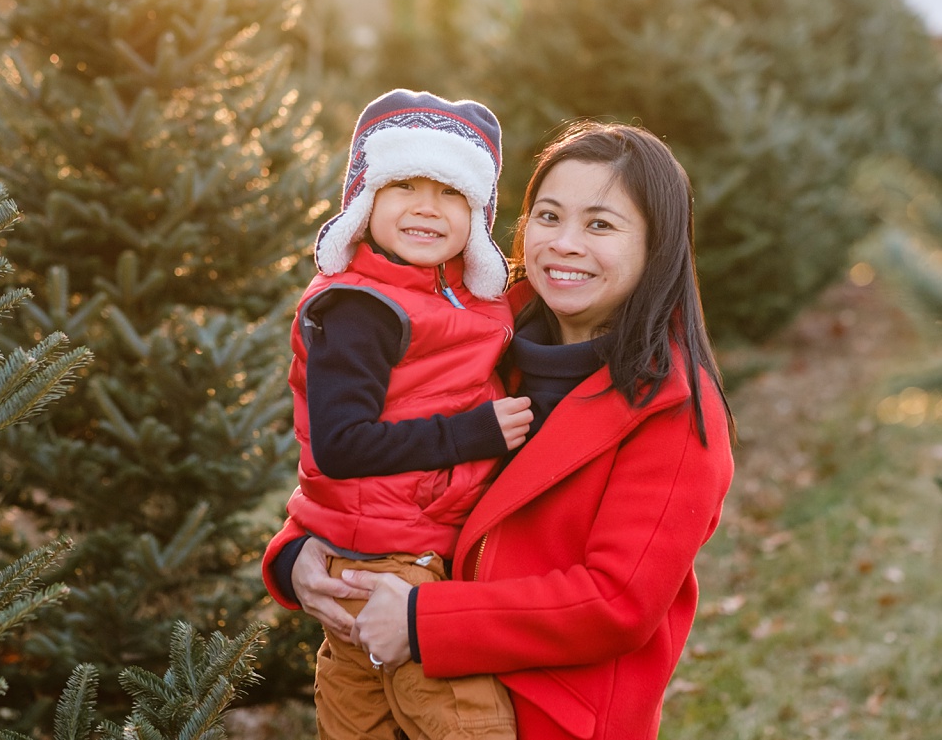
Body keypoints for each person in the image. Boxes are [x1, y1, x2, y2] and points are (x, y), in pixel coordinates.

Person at [266, 119, 736, 740]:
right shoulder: (479, 332)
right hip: (401, 683)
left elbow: (615, 603)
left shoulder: (674, 411)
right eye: (548, 216)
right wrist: (296, 553)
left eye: (600, 225)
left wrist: (423, 620)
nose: (564, 243)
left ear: (657, 246)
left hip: (544, 717)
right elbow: (373, 455)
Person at [265, 89, 533, 740]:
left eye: (449, 192)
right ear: (366, 199)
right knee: (465, 722)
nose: (426, 206)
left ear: (476, 213)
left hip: (385, 549)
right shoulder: (360, 307)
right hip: (388, 561)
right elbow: (338, 445)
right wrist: (474, 433)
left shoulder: (451, 297)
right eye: (405, 184)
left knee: (364, 723)